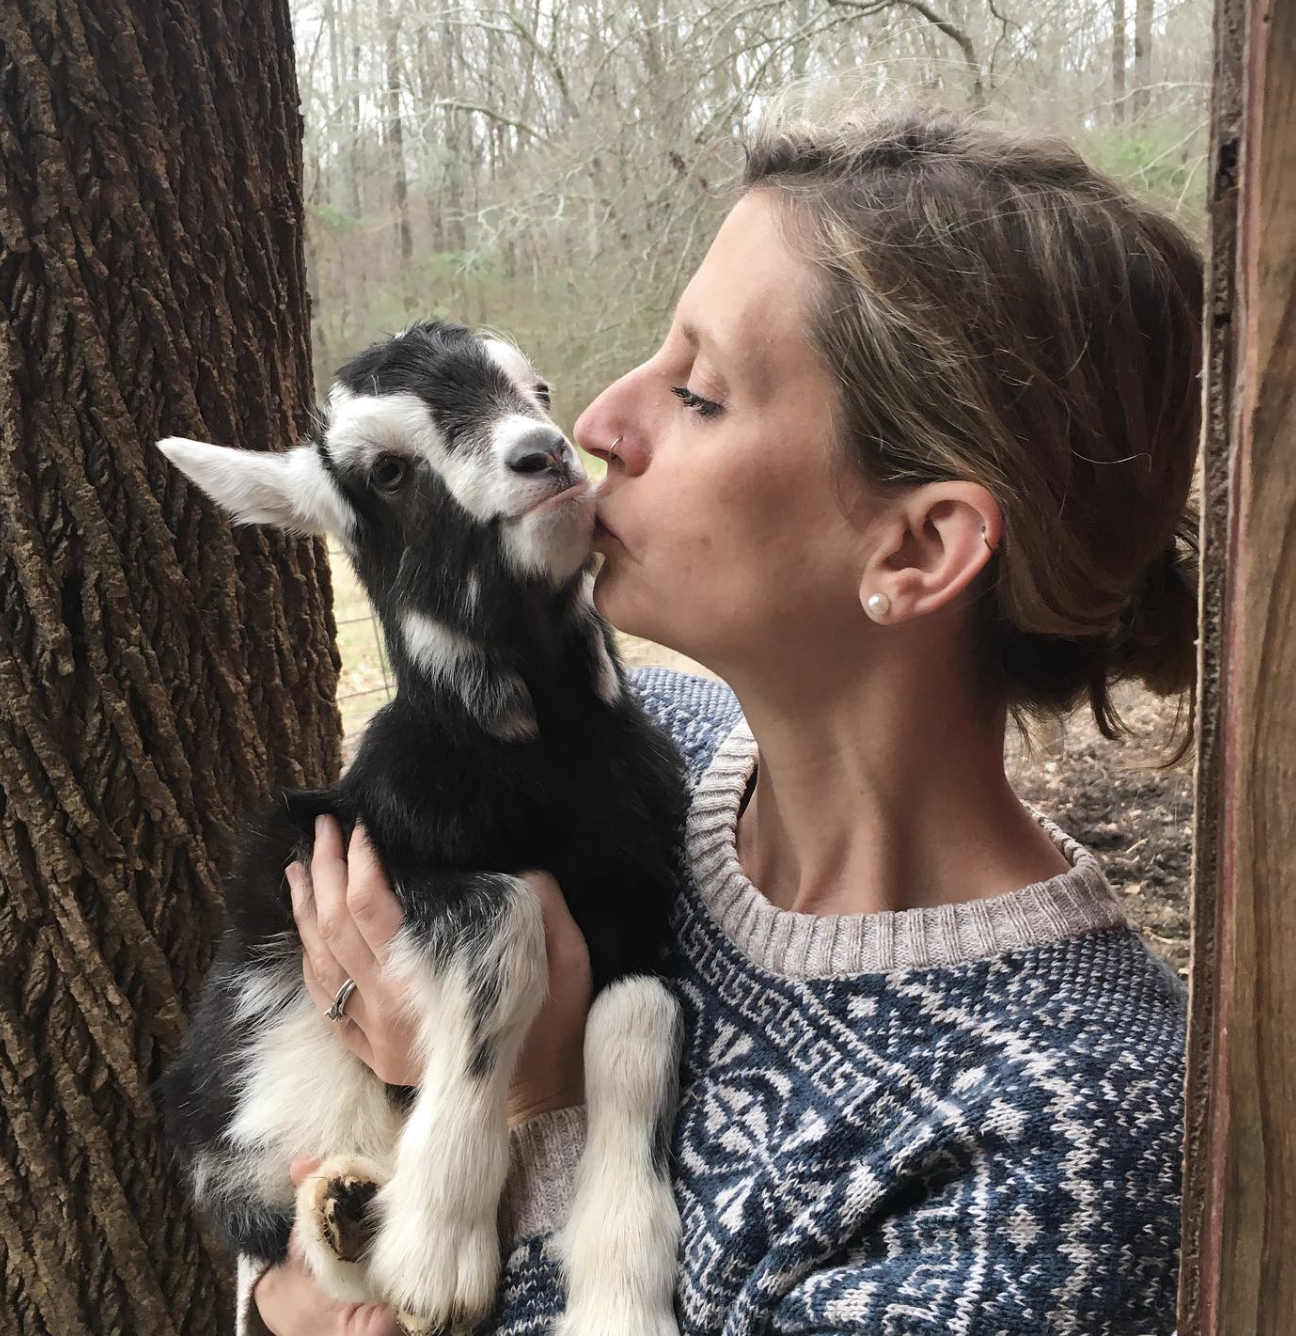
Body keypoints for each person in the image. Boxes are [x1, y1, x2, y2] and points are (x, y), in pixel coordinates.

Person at [246, 103, 1200, 1336]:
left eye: (696, 393)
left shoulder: (1066, 1146)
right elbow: (282, 1237)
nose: (597, 424)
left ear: (918, 548)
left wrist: (528, 1110)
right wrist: (287, 1284)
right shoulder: (647, 744)